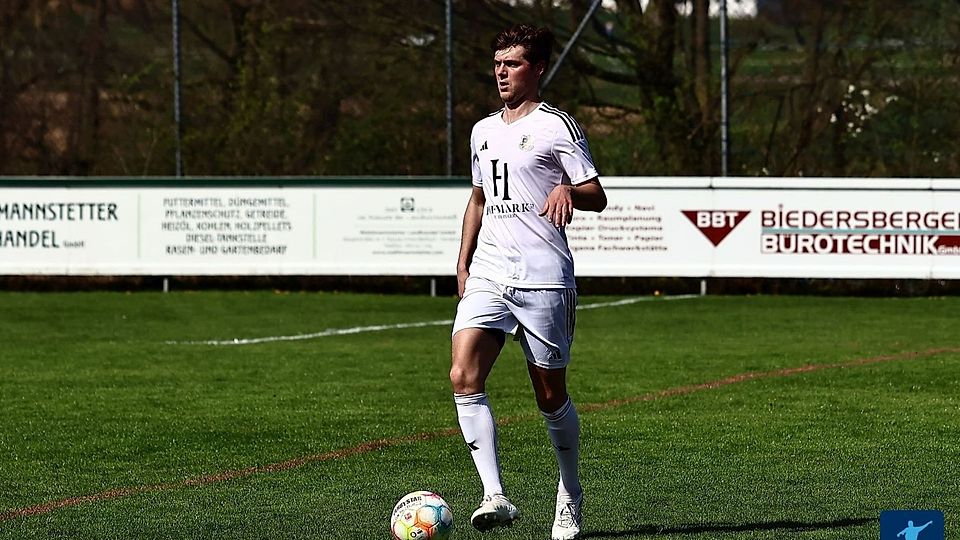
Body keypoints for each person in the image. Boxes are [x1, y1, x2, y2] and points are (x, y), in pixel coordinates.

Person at [449, 23, 607, 540]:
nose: (501, 72)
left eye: (512, 63)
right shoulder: (482, 130)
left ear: (537, 69)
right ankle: (495, 495)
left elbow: (595, 193)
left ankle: (570, 494)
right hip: (490, 273)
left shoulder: (557, 126)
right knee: (463, 376)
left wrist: (567, 189)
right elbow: (478, 199)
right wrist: (463, 260)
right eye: (497, 63)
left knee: (549, 396)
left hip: (543, 277)